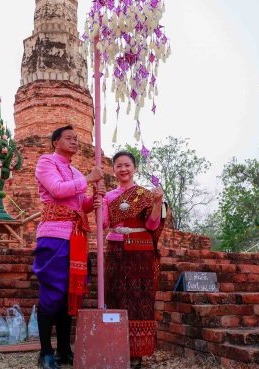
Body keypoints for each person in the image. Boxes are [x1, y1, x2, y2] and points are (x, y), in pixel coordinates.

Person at [33, 125, 105, 369]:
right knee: (52, 293)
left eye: (76, 138)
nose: (74, 142)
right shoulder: (46, 162)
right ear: (56, 142)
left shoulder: (74, 170)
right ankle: (45, 352)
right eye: (69, 138)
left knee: (70, 295)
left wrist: (93, 200)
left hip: (76, 237)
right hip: (54, 236)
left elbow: (78, 204)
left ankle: (64, 349)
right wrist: (88, 179)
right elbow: (57, 190)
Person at [99, 151, 164, 369]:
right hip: (116, 250)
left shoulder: (145, 194)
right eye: (119, 166)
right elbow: (103, 225)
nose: (123, 169)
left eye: (127, 165)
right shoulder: (108, 196)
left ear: (134, 168)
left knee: (139, 299)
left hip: (141, 252)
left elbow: (152, 225)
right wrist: (96, 203)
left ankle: (137, 353)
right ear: (113, 169)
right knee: (115, 295)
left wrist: (158, 202)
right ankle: (114, 346)